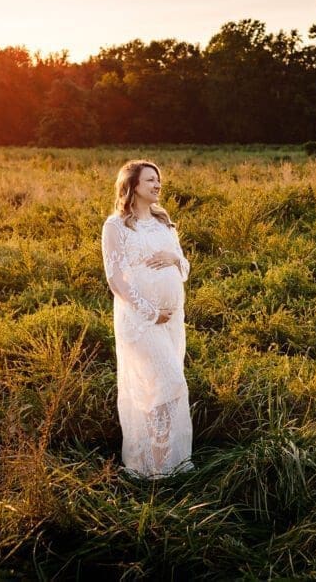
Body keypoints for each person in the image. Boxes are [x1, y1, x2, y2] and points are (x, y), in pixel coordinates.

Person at [101, 160, 193, 478]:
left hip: (171, 320)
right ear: (133, 186)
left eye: (159, 180)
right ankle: (155, 468)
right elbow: (115, 278)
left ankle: (165, 464)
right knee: (166, 383)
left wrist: (174, 258)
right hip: (140, 321)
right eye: (151, 180)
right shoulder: (115, 226)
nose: (157, 185)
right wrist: (149, 311)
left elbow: (184, 268)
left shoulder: (164, 221)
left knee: (163, 387)